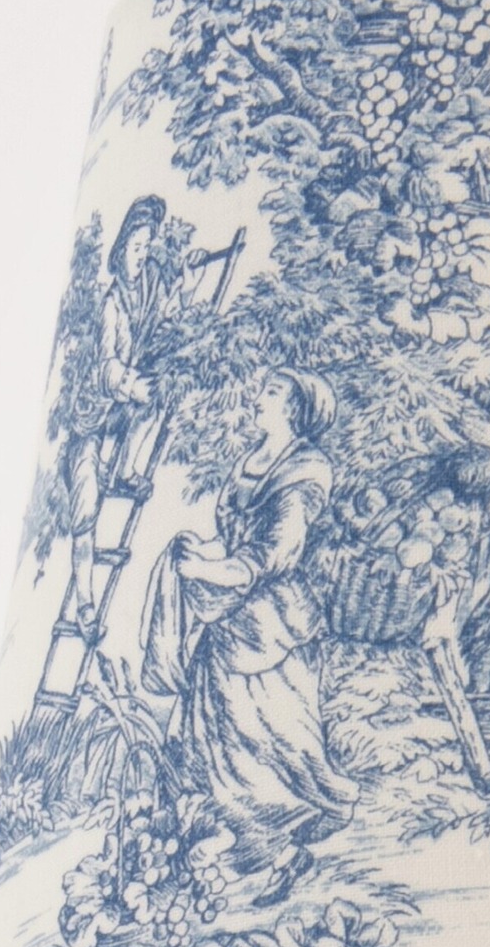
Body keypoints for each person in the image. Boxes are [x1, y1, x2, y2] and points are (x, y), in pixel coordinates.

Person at [139, 367, 361, 907]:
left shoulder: (305, 473)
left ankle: (280, 852)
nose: (259, 398)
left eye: (272, 392)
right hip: (231, 624)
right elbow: (233, 540)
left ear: (294, 409)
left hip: (272, 630)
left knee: (267, 750)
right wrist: (202, 554)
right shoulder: (250, 462)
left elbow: (275, 553)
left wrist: (211, 571)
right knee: (208, 746)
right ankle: (253, 855)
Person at [62, 194, 203, 635]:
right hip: (93, 416)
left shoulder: (150, 284)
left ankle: (126, 471)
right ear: (121, 249)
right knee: (85, 510)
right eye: (137, 247)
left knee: (156, 395)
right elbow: (106, 367)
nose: (143, 255)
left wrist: (186, 286)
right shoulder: (112, 304)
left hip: (123, 412)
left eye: (147, 246)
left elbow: (167, 322)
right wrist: (130, 383)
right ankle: (86, 607)